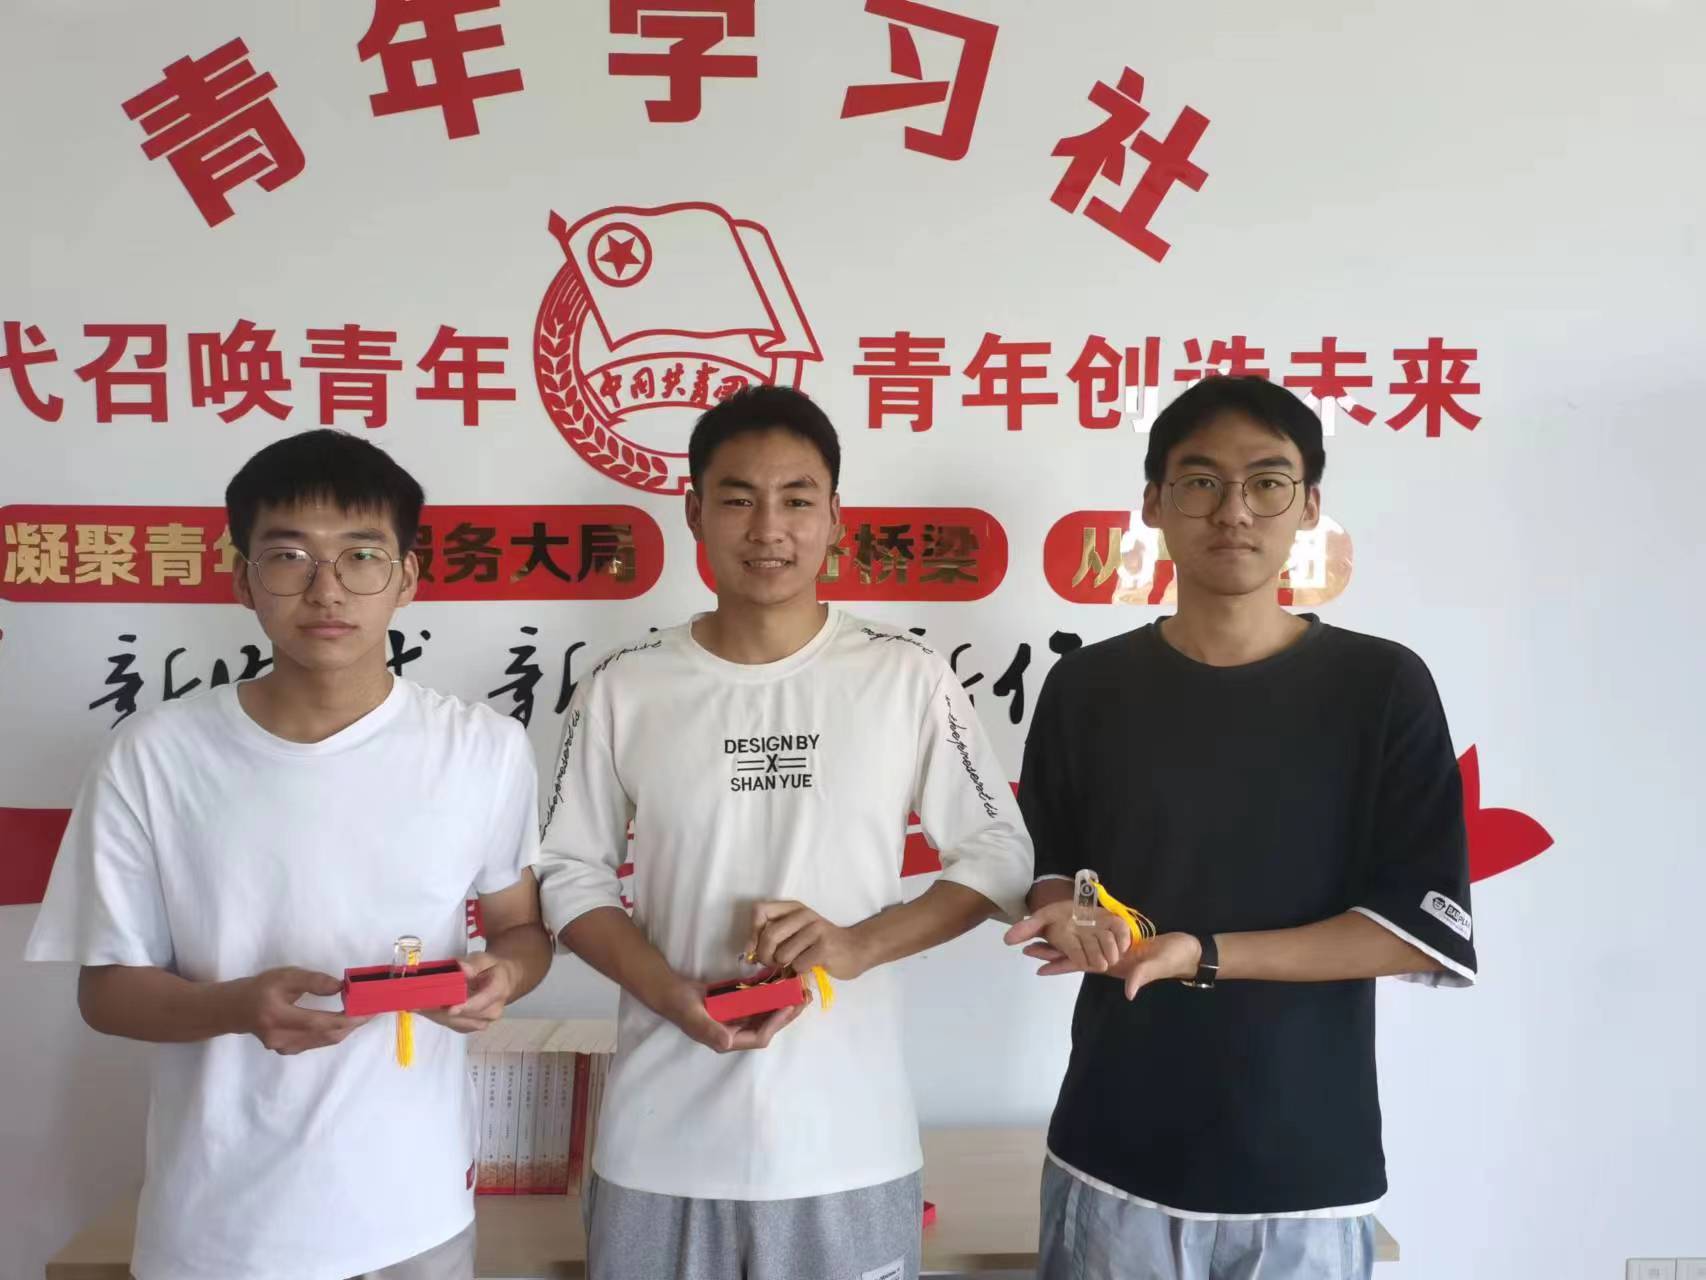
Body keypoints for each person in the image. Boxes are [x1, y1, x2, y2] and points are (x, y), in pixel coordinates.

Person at [26, 429, 552, 1280]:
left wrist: (504, 976)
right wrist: (237, 1007)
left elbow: (521, 930)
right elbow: (107, 992)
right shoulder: (153, 756)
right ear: (243, 580)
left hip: (417, 1216)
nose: (326, 588)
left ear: (408, 577)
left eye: (361, 556)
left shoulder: (483, 749)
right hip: (218, 1229)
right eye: (289, 557)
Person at [536, 385, 1034, 1280]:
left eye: (797, 499)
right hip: (659, 1147)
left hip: (849, 1144)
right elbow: (568, 874)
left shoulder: (904, 674)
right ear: (694, 511)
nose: (768, 528)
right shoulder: (625, 683)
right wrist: (668, 991)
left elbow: (999, 853)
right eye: (737, 499)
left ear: (836, 516)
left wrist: (858, 943)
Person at [1005, 376, 1478, 1280]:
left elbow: (1411, 928)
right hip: (1111, 1152)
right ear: (1154, 502)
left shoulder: (1381, 687)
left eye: (1267, 482)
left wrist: (1205, 955)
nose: (1234, 511)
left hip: (1305, 1169)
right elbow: (1047, 860)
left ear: (1309, 506)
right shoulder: (1089, 687)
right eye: (1200, 482)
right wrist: (1062, 910)